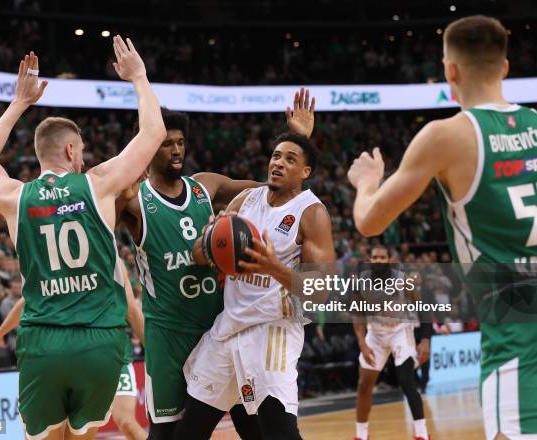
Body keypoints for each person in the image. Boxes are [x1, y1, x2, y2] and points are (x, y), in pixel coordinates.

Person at [347, 15, 537, 440]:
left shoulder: (447, 137)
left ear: (449, 71)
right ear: (505, 68)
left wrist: (367, 182)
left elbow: (369, 221)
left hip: (517, 338)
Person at [0, 36, 165, 440]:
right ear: (73, 149)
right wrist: (139, 77)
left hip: (43, 340)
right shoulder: (97, 185)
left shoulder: (15, 197)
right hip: (100, 340)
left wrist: (19, 103)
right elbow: (153, 132)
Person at [119, 88, 316, 440]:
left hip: (220, 327)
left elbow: (272, 191)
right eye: (166, 143)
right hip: (169, 335)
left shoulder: (205, 187)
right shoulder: (134, 200)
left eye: (180, 142)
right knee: (167, 434)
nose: (177, 149)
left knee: (254, 427)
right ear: (149, 147)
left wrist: (298, 142)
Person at [176, 130, 336, 440]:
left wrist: (274, 268)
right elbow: (197, 255)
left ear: (306, 172)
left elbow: (322, 290)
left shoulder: (311, 213)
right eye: (276, 156)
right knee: (190, 430)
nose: (279, 163)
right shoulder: (246, 199)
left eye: (291, 159)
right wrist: (211, 238)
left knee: (279, 432)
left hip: (272, 330)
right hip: (229, 329)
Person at [0, 262, 147, 440]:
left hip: (109, 352)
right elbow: (29, 300)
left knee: (127, 423)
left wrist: (156, 358)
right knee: (57, 430)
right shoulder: (54, 262)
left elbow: (132, 310)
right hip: (61, 349)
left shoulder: (109, 260)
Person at [351, 246, 430, 440]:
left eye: (382, 257)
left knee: (406, 379)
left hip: (400, 330)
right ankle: (361, 435)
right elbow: (358, 315)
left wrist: (426, 339)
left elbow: (424, 308)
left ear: (389, 259)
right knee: (364, 384)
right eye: (375, 257)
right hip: (375, 333)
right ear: (369, 259)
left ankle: (421, 434)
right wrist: (362, 343)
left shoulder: (404, 280)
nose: (378, 260)